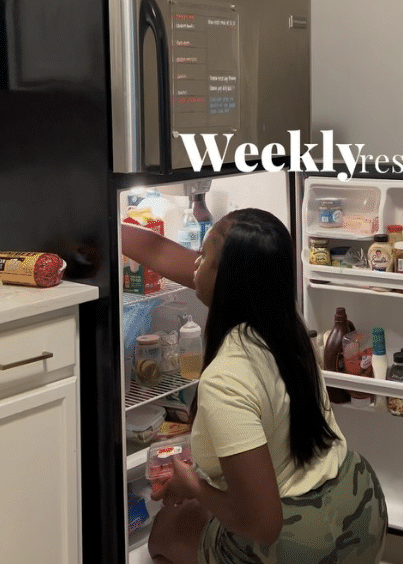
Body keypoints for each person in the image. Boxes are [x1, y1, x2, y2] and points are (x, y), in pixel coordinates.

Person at [123, 210, 387, 564]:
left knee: (167, 532)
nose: (195, 263)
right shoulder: (285, 323)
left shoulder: (227, 377)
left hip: (302, 541)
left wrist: (194, 486)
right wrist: (103, 222)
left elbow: (263, 525)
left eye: (204, 257)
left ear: (229, 279)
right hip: (359, 501)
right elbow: (161, 253)